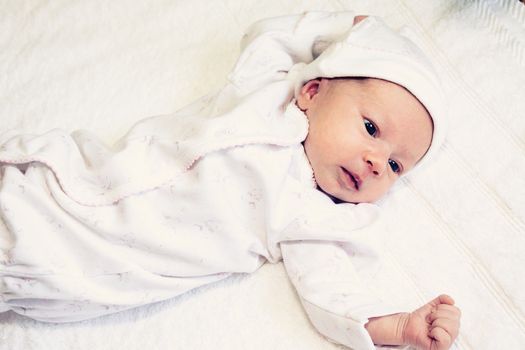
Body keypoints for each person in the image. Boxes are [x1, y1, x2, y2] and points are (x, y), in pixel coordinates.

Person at [0, 11, 460, 350]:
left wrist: (397, 327)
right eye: (372, 129)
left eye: (397, 166)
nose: (378, 162)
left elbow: (332, 292)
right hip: (57, 180)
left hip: (78, 266)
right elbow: (270, 36)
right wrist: (347, 29)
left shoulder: (315, 216)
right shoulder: (261, 91)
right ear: (313, 90)